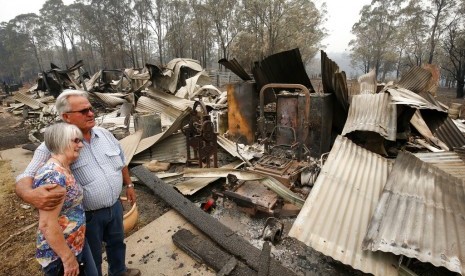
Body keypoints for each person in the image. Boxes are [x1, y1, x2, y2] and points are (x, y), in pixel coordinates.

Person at [16, 90, 140, 276]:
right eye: (83, 111)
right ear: (66, 117)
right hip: (88, 216)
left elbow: (121, 161)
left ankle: (119, 271)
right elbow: (26, 175)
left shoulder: (104, 134)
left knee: (117, 243)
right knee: (93, 257)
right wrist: (29, 194)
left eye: (90, 109)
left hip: (114, 205)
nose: (91, 113)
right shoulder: (54, 144)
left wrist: (129, 185)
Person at [34, 123, 97, 276]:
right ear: (61, 141)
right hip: (60, 255)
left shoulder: (63, 168)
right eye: (76, 141)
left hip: (75, 243)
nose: (81, 145)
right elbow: (47, 224)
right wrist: (67, 258)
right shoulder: (53, 176)